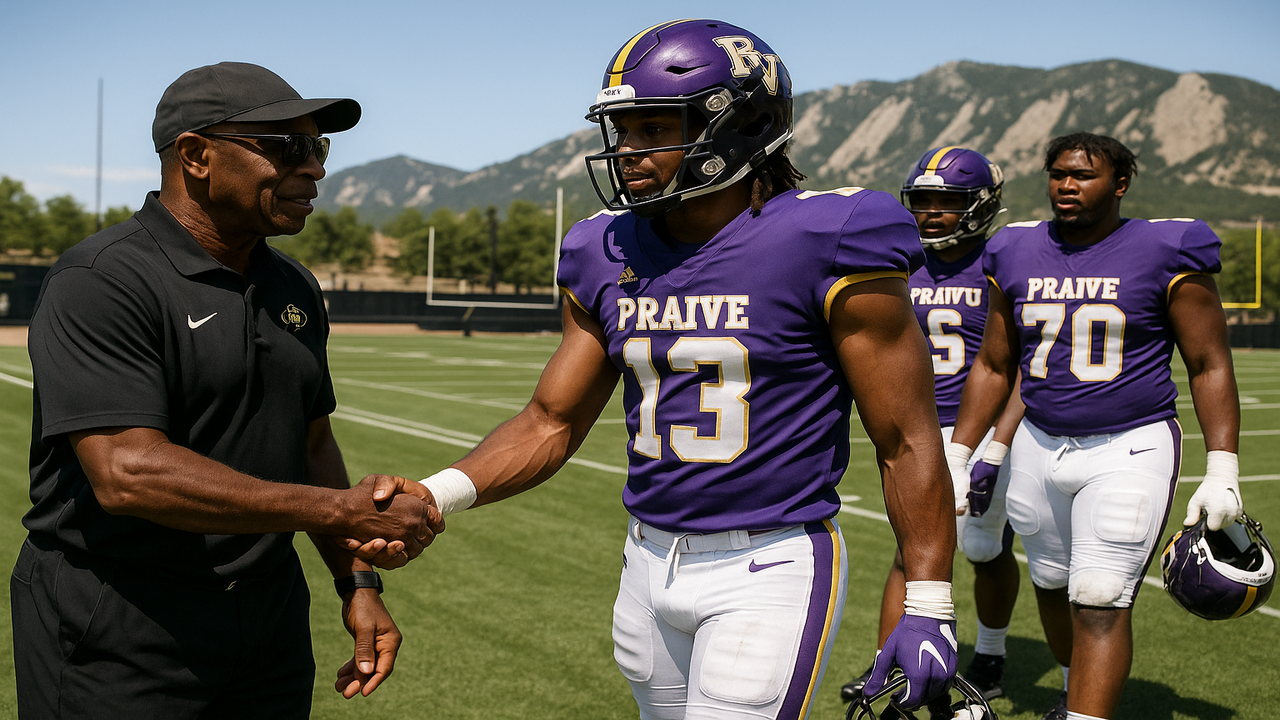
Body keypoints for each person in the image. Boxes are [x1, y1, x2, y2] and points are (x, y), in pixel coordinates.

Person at [365, 18, 957, 720]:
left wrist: (929, 601)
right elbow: (550, 421)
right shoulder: (604, 247)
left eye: (653, 128)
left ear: (738, 125)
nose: (627, 151)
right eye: (621, 130)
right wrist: (436, 494)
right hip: (645, 561)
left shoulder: (826, 237)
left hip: (767, 565)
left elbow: (906, 436)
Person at [11, 62, 443, 719]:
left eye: (319, 147)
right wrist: (336, 512)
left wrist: (356, 581)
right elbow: (128, 472)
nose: (315, 168)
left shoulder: (294, 286)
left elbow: (312, 443)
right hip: (119, 621)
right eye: (287, 147)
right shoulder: (101, 280)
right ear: (196, 156)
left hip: (267, 622)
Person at [947, 132, 1242, 720]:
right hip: (1038, 443)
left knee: (1100, 597)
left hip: (1129, 443)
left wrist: (1223, 467)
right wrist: (959, 454)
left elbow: (1209, 363)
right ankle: (1071, 691)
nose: (1066, 185)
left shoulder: (1165, 248)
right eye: (1057, 173)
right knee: (1052, 584)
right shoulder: (1013, 249)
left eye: (1082, 175)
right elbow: (995, 364)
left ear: (1120, 183)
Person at [840, 147, 1025, 713]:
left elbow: (1021, 364)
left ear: (982, 204)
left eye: (946, 201)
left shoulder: (1003, 262)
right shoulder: (897, 259)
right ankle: (889, 663)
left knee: (985, 549)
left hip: (979, 429)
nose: (930, 212)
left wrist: (996, 444)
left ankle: (990, 653)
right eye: (921, 200)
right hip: (911, 428)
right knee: (909, 551)